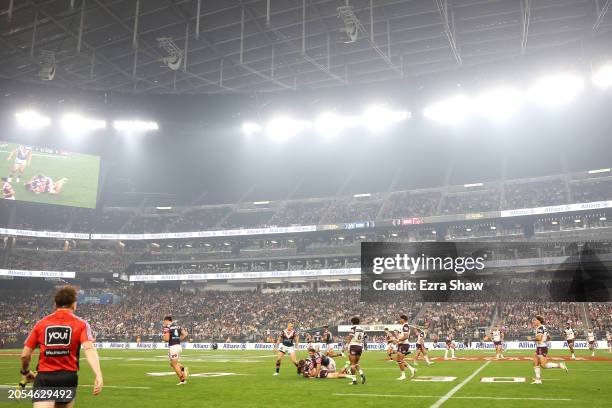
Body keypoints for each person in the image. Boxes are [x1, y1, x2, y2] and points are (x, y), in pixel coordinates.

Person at [20, 285, 103, 407]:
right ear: (74, 304)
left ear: (55, 304)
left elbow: (25, 355)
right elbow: (89, 349)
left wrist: (25, 372)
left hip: (44, 377)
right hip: (67, 377)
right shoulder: (81, 324)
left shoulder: (41, 324)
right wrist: (98, 375)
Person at [529, 315, 568, 385]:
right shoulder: (543, 327)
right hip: (540, 347)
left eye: (535, 320)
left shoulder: (540, 328)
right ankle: (538, 380)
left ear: (538, 321)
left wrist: (531, 339)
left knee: (543, 365)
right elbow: (549, 337)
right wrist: (545, 341)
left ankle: (559, 365)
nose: (534, 322)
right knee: (535, 363)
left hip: (542, 348)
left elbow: (539, 338)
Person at [162, 316, 189, 385]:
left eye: (164, 321)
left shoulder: (167, 327)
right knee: (172, 363)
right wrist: (179, 339)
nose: (163, 323)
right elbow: (185, 334)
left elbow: (167, 339)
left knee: (174, 364)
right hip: (179, 346)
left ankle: (182, 380)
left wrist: (163, 338)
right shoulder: (178, 326)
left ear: (166, 320)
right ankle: (182, 368)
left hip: (173, 347)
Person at [395, 315, 417, 380]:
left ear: (403, 319)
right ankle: (412, 369)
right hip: (401, 344)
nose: (399, 320)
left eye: (400, 319)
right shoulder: (403, 326)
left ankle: (403, 376)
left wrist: (398, 340)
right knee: (399, 360)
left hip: (403, 345)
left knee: (399, 360)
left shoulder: (405, 326)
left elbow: (406, 336)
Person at [345, 316, 366, 385]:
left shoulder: (353, 328)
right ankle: (361, 373)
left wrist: (346, 345)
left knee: (352, 364)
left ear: (352, 322)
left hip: (353, 346)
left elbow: (350, 337)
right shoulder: (362, 329)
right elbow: (365, 337)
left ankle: (354, 380)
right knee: (356, 363)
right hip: (360, 346)